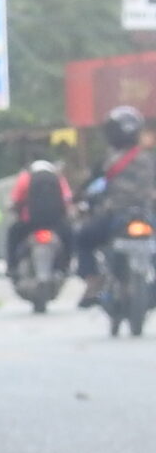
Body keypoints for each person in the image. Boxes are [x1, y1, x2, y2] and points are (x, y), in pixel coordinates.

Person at [76, 104, 156, 304]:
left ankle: (93, 281)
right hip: (147, 216)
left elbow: (88, 187)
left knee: (82, 237)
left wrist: (78, 199)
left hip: (115, 217)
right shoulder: (149, 159)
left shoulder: (107, 161)